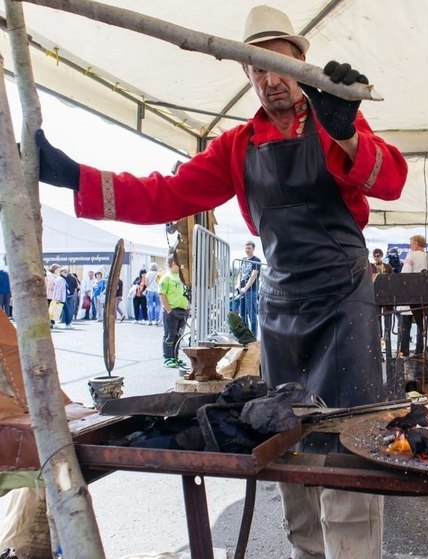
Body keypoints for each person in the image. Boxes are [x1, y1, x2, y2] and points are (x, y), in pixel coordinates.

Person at [34, 6, 407, 557]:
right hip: (279, 306)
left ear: (302, 66)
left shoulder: (334, 121)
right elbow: (166, 192)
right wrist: (75, 176)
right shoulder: (237, 146)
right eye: (256, 70)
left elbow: (392, 181)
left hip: (344, 299)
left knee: (343, 440)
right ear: (246, 75)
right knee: (285, 436)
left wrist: (348, 132)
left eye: (279, 67)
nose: (270, 81)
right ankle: (307, 550)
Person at [399, 235, 428, 357]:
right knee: (421, 327)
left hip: (410, 298)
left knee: (405, 328)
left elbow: (405, 275)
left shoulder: (411, 255)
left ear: (416, 244)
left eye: (411, 243)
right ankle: (419, 353)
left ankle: (404, 352)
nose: (411, 246)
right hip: (425, 299)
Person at [158, 256, 190, 369]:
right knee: (170, 335)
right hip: (172, 311)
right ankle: (168, 358)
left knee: (178, 335)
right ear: (173, 264)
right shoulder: (166, 277)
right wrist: (168, 309)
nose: (180, 266)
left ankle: (175, 357)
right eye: (178, 263)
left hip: (183, 311)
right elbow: (162, 294)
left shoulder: (182, 277)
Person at [236, 240, 261, 334]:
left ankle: (254, 336)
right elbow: (240, 273)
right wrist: (238, 284)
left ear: (253, 249)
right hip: (242, 291)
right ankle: (245, 335)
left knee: (252, 315)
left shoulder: (256, 260)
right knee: (242, 314)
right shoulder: (243, 259)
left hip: (251, 290)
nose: (247, 250)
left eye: (249, 248)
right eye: (246, 248)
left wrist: (246, 288)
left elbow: (253, 276)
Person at [371, 248, 393, 339]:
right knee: (377, 317)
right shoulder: (371, 266)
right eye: (375, 256)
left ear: (381, 256)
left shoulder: (388, 266)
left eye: (378, 256)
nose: (377, 258)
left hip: (387, 294)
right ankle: (378, 337)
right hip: (375, 294)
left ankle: (387, 337)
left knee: (387, 317)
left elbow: (392, 279)